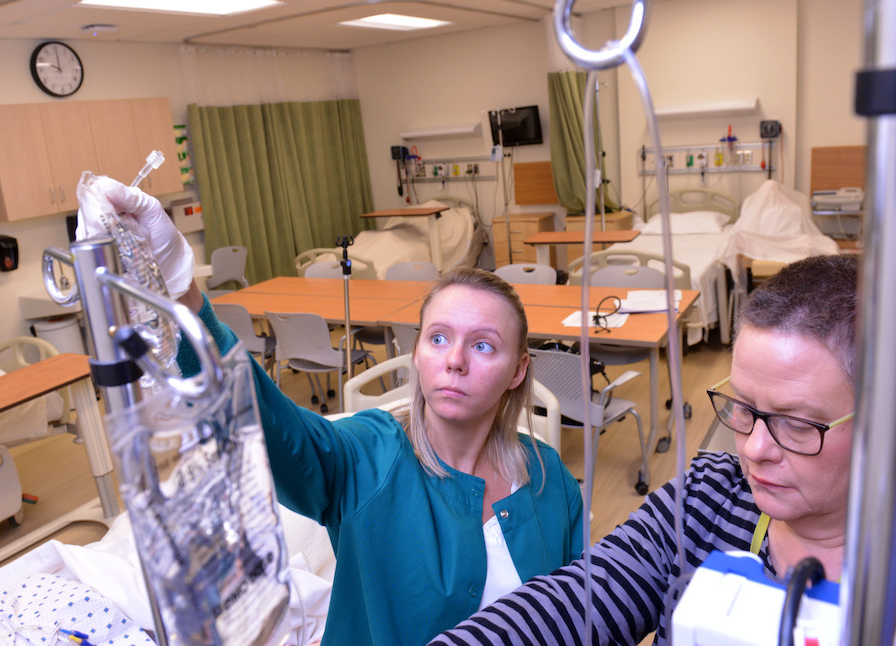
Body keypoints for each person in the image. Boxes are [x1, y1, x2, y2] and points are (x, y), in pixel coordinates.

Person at [86, 177, 585, 646]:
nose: (453, 360)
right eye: (438, 337)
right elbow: (265, 427)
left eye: (482, 346)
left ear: (518, 371)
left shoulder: (550, 481)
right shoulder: (367, 457)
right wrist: (183, 293)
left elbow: (579, 614)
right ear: (417, 353)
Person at [429, 254, 896, 646]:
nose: (753, 449)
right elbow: (569, 604)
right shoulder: (707, 500)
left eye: (795, 425)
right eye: (743, 407)